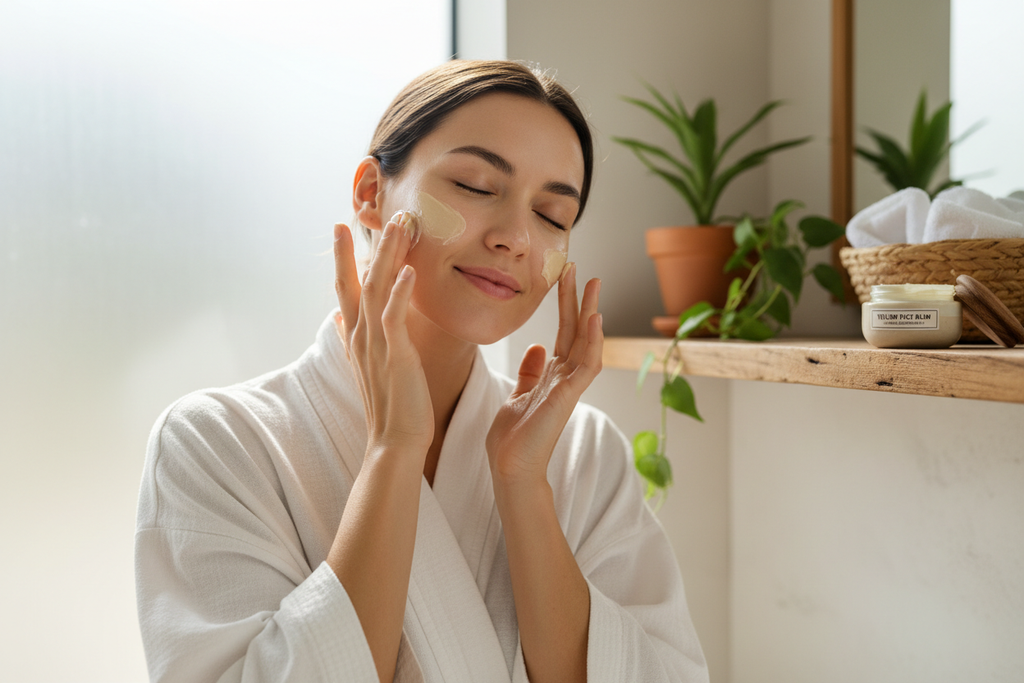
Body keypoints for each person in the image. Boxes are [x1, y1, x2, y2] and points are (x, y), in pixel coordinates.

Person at [135, 60, 708, 683]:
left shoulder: (584, 455)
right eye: (476, 185)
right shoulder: (215, 443)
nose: (517, 237)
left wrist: (522, 486)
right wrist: (394, 450)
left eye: (552, 217)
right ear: (370, 194)